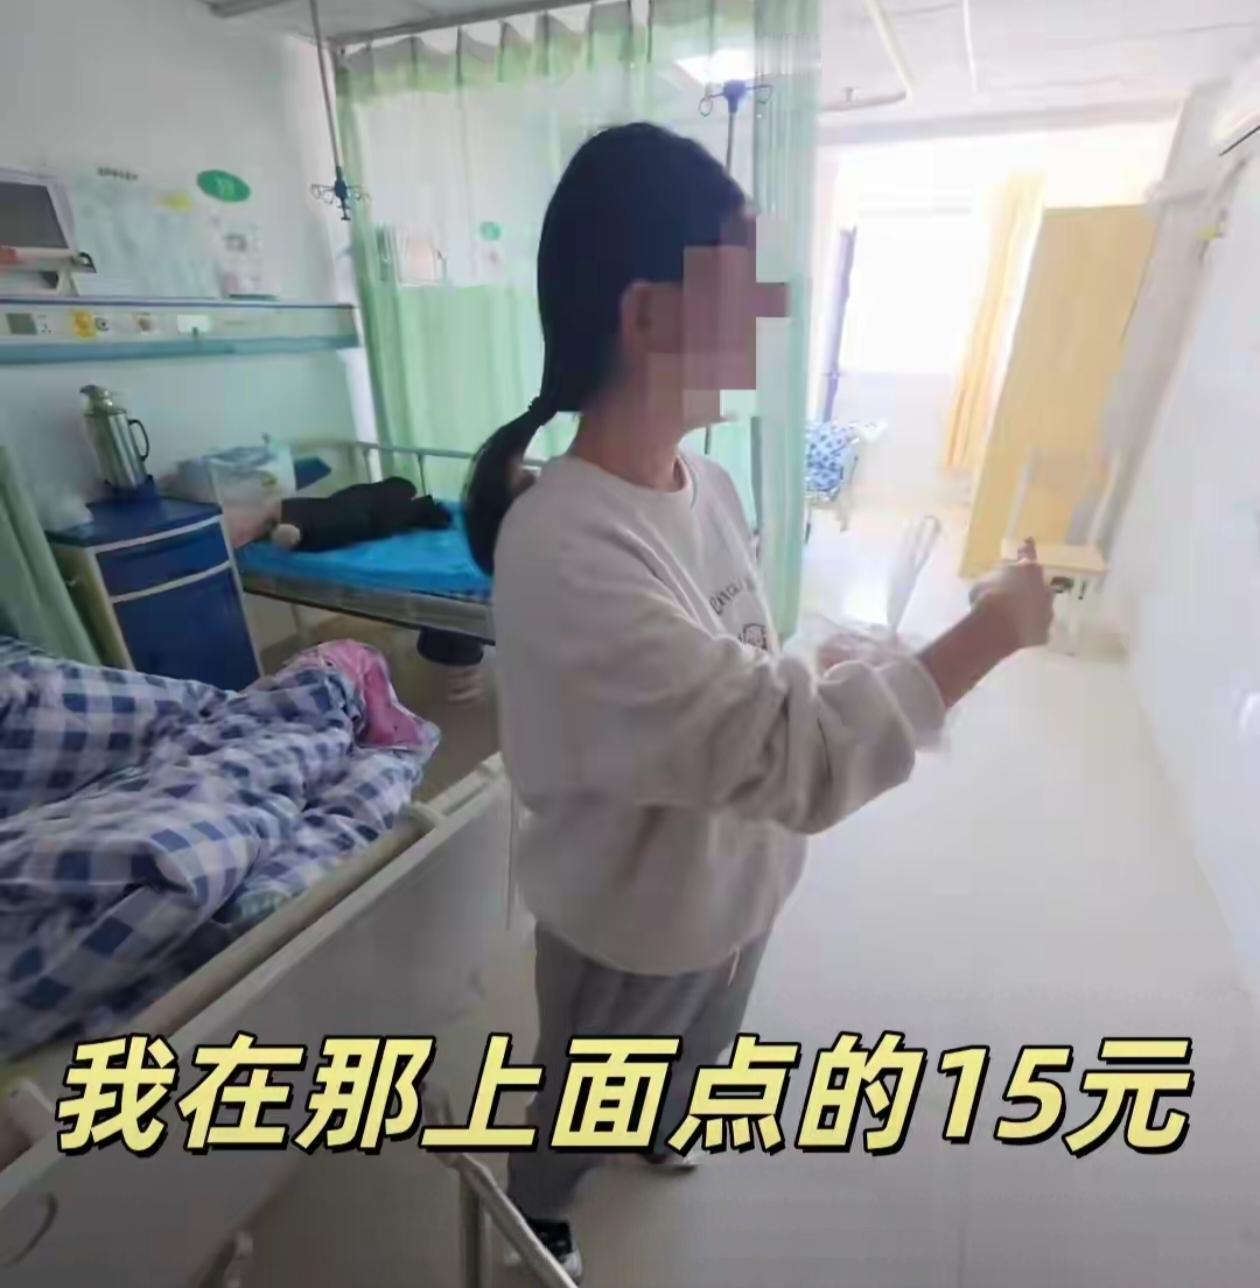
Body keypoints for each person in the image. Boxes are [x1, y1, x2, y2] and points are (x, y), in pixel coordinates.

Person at [464, 122, 1052, 1280]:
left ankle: (666, 1118)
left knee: (702, 1037)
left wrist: (827, 666)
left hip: (740, 878)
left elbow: (741, 669)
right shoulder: (565, 546)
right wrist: (992, 630)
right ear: (647, 317)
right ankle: (542, 1213)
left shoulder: (711, 483)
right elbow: (795, 756)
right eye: (741, 287)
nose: (766, 315)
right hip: (632, 921)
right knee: (588, 1091)